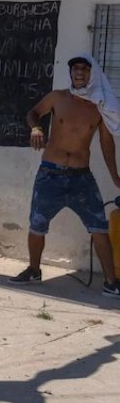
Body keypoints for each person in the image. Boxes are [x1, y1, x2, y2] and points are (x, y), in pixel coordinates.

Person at [10, 53, 120, 298]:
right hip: (50, 173)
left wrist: (115, 177)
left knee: (99, 227)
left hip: (82, 177)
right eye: (75, 69)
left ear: (93, 75)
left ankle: (111, 283)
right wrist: (36, 127)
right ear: (70, 73)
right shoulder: (57, 97)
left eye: (84, 69)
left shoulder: (99, 107)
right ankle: (34, 270)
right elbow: (33, 113)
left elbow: (106, 144)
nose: (79, 73)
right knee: (37, 224)